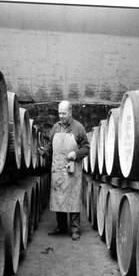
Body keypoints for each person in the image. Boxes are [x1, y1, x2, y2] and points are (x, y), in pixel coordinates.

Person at [39, 100, 89, 240]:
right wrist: (45, 152)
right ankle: (61, 227)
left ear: (70, 112)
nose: (61, 116)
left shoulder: (78, 128)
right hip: (58, 169)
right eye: (59, 113)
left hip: (72, 169)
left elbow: (87, 148)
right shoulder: (55, 127)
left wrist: (77, 154)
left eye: (64, 113)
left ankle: (75, 229)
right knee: (59, 199)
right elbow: (50, 146)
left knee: (72, 199)